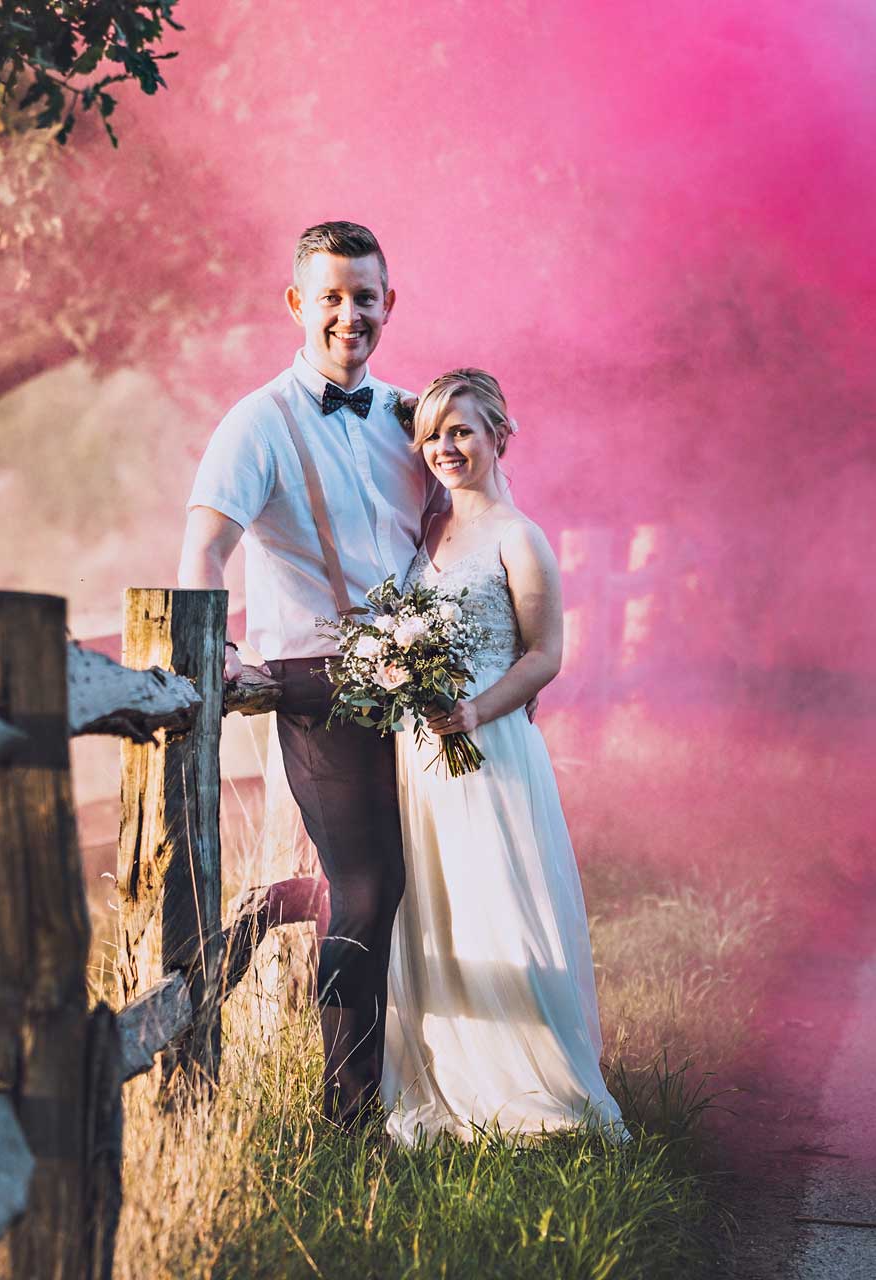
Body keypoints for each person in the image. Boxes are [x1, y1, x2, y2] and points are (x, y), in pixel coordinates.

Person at [178, 220, 431, 1126]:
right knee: (369, 885)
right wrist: (222, 655)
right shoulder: (258, 422)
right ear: (296, 304)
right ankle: (348, 1108)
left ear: (388, 304)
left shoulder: (412, 415)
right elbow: (203, 549)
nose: (348, 315)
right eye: (329, 297)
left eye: (364, 297)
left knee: (407, 875)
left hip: (422, 680)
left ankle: (268, 913)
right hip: (317, 681)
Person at [380, 368, 627, 1144]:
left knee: (497, 907)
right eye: (432, 434)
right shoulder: (426, 532)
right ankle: (446, 1079)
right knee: (436, 910)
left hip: (488, 752)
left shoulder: (520, 538)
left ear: (497, 437)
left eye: (461, 431)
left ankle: (531, 1088)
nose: (445, 447)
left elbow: (545, 654)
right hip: (421, 760)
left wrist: (474, 711)